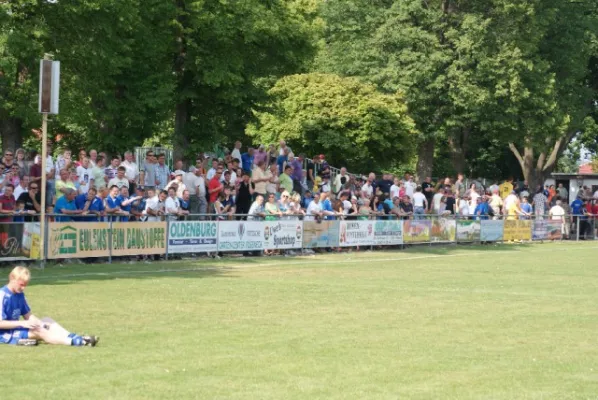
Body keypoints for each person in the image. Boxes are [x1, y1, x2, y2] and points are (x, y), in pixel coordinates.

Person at [0, 266, 98, 346]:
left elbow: (28, 315)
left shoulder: (20, 295)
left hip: (16, 329)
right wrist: (22, 323)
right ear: (12, 279)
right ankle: (76, 342)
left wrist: (40, 323)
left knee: (47, 321)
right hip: (5, 334)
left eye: (25, 285)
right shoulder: (2, 295)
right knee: (39, 331)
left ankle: (73, 336)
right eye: (21, 285)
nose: (23, 288)